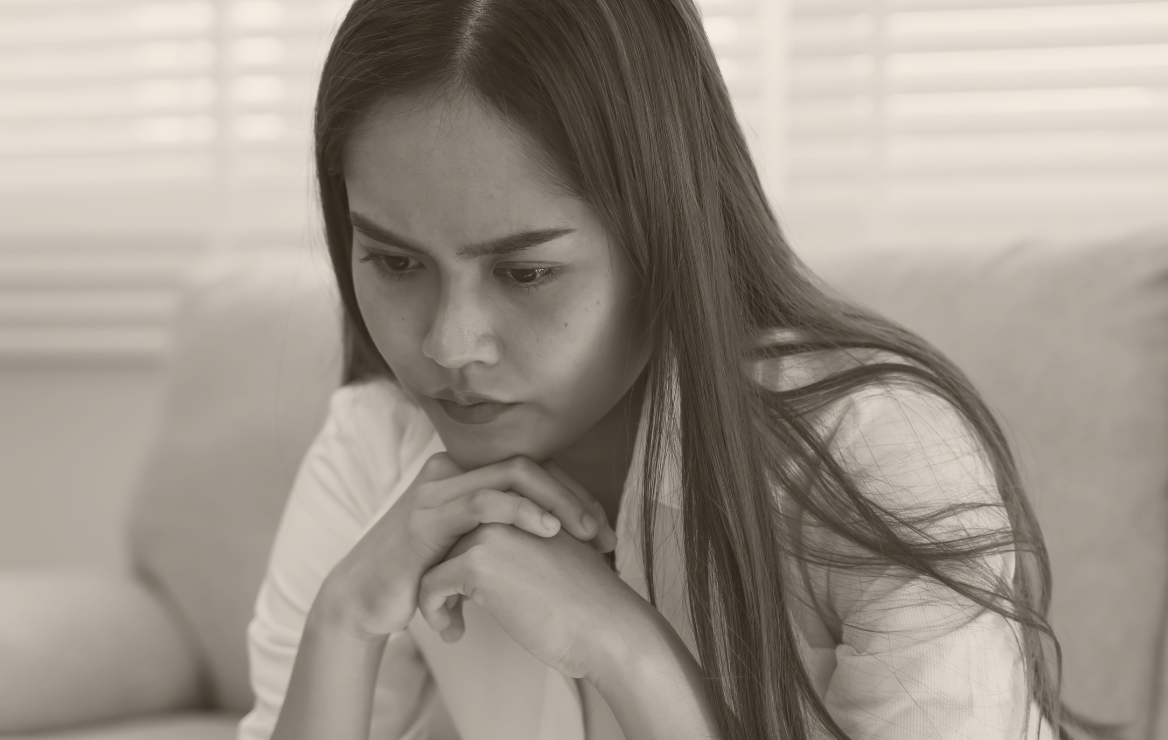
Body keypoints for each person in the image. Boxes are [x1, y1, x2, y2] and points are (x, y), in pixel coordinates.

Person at [238, 1, 1102, 738]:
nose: (449, 345)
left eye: (526, 273)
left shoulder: (875, 454)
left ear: (663, 236)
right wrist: (344, 618)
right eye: (395, 263)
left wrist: (632, 658)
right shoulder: (373, 449)